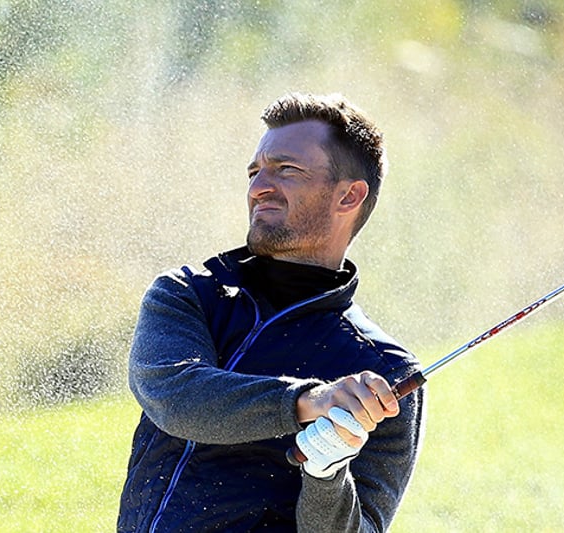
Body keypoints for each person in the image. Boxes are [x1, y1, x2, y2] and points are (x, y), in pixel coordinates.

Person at [117, 93, 425, 532]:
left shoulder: (387, 373)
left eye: (286, 170)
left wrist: (326, 473)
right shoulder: (188, 295)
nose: (259, 186)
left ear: (349, 196)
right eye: (255, 171)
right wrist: (306, 402)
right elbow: (178, 398)